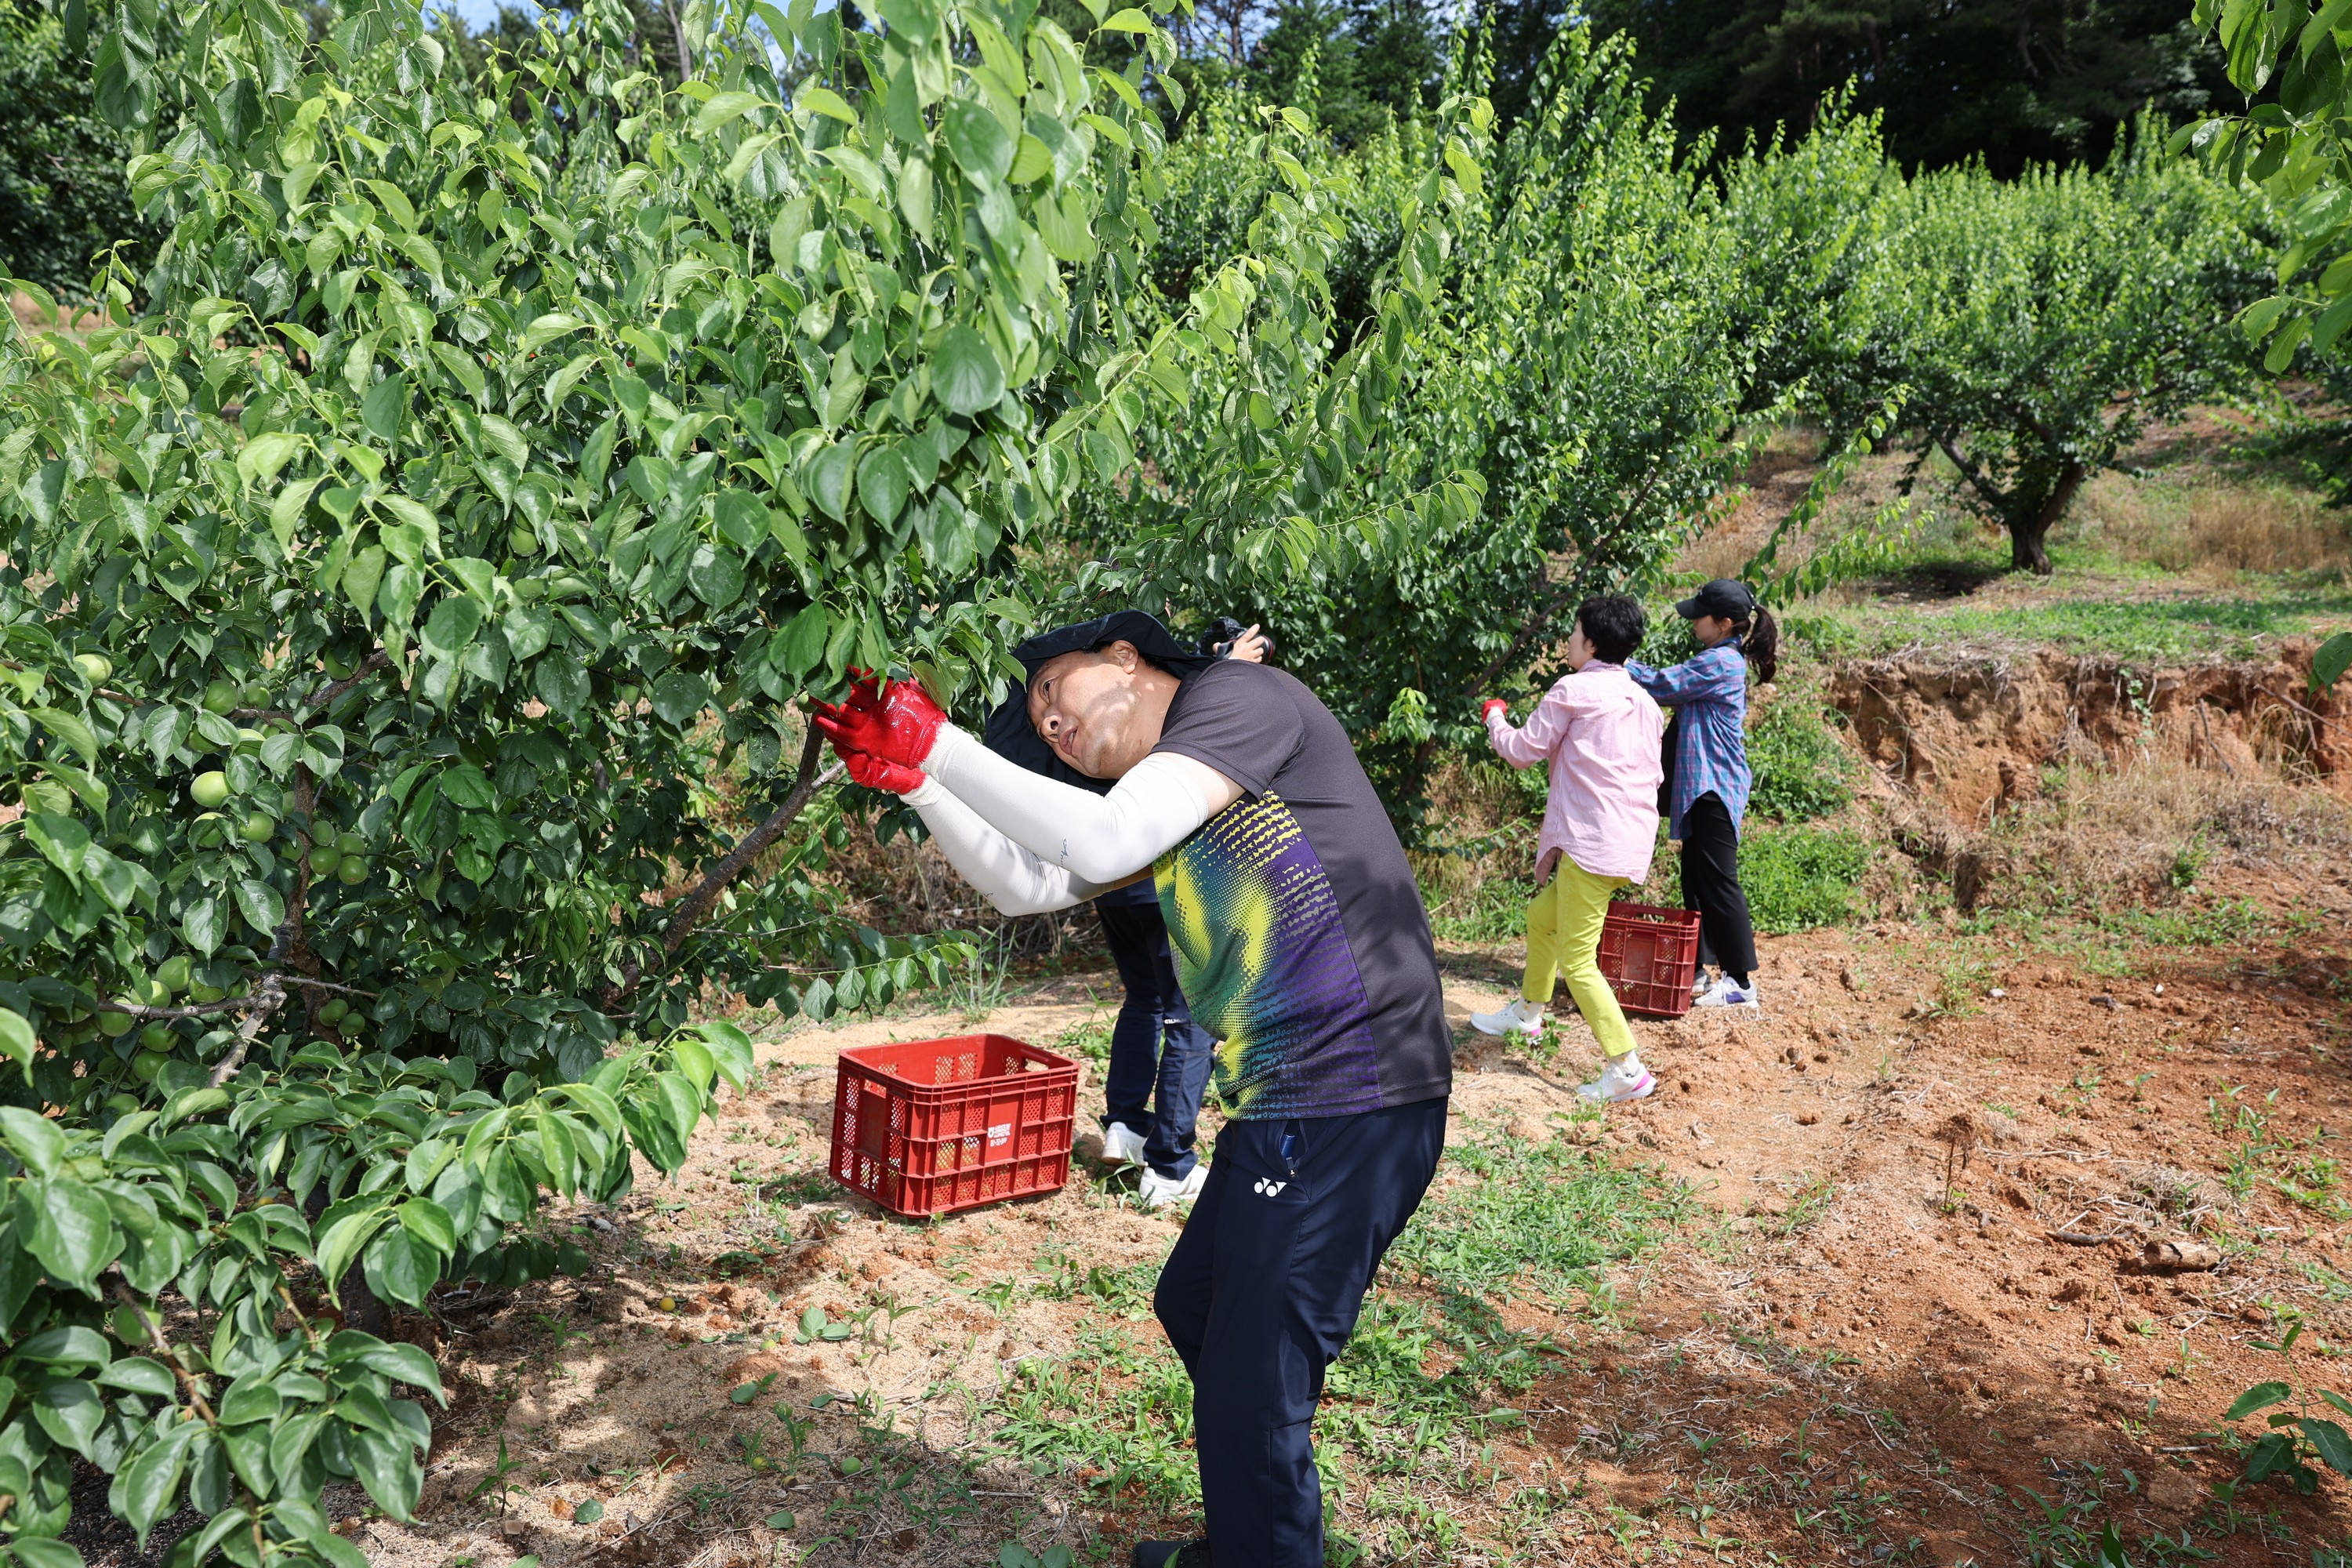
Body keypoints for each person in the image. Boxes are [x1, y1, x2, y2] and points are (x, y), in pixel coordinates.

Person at [813, 611, 1450, 1568]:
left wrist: (938, 737)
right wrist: (923, 780)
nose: (1050, 725)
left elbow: (1104, 839)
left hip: (1355, 1089)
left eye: (1049, 692)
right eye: (1039, 729)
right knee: (1193, 1302)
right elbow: (1028, 883)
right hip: (1285, 1104)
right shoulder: (1172, 801)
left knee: (1252, 1383)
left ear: (1123, 657)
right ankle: (1250, 1535)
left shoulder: (1236, 699)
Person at [977, 619, 1272, 1208]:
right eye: (1042, 714)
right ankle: (1169, 1164)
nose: (1052, 724)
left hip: (1110, 888)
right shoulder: (1162, 726)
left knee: (1144, 1000)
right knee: (1188, 1014)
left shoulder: (1132, 718)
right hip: (1156, 877)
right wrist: (1229, 667)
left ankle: (1125, 1126)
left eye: (1052, 695)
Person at [1468, 595, 1664, 1104]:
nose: (1568, 640)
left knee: (1578, 960)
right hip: (1627, 839)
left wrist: (1494, 716)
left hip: (1592, 841)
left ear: (1592, 642)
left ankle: (1627, 1068)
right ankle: (1530, 1013)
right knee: (1542, 916)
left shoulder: (1574, 690)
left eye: (1574, 633)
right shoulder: (1642, 701)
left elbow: (1520, 751)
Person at [1626, 578, 1780, 1011]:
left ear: (1725, 623)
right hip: (1700, 787)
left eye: (1700, 615)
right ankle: (1696, 970)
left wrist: (1617, 660)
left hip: (1715, 785)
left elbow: (1660, 685)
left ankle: (1741, 983)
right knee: (1695, 882)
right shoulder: (1715, 657)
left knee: (1719, 883)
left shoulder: (1721, 664)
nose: (1693, 620)